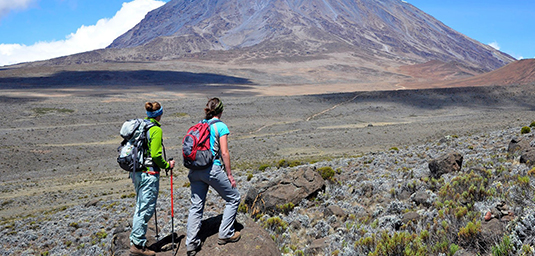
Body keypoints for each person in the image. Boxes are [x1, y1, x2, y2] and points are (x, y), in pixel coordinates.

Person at [185, 98, 241, 256]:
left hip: (195, 170)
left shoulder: (200, 124)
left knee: (196, 207)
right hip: (212, 169)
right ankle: (226, 233)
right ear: (221, 111)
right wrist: (229, 175)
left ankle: (191, 243)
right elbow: (224, 152)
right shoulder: (220, 126)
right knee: (234, 198)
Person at [130, 101, 175, 256]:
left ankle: (136, 240)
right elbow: (156, 155)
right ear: (159, 114)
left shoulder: (141, 126)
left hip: (136, 172)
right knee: (145, 209)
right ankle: (137, 245)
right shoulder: (155, 129)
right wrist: (167, 165)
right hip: (149, 174)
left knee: (140, 206)